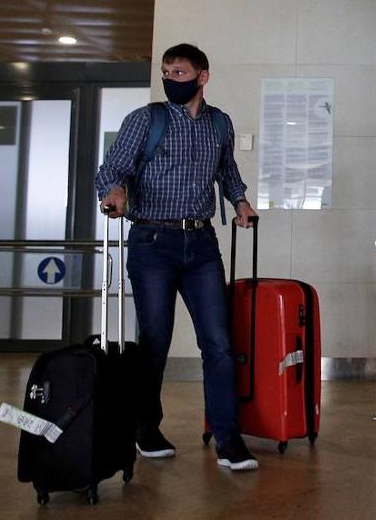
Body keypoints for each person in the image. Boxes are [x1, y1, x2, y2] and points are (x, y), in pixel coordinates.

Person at [97, 43, 260, 471]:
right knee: (155, 342)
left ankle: (228, 439)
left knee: (219, 344)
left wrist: (240, 203)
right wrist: (112, 193)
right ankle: (145, 429)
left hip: (202, 244)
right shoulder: (145, 120)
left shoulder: (219, 123)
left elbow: (227, 172)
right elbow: (112, 169)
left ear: (202, 77)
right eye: (167, 71)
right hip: (152, 242)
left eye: (180, 72)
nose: (171, 79)